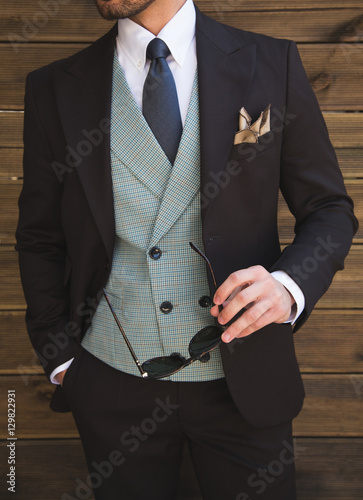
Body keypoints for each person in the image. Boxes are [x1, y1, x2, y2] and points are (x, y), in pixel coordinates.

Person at [16, 0, 358, 498]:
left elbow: (329, 208)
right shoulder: (53, 87)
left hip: (244, 378)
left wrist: (288, 287)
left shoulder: (270, 61)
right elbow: (40, 236)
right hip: (109, 382)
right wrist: (61, 358)